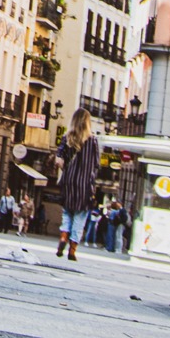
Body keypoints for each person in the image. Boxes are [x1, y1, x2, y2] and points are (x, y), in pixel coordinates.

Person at [54, 107, 102, 260]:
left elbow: (59, 160)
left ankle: (63, 237)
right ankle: (72, 249)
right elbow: (96, 164)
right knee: (80, 218)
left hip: (69, 182)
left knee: (67, 213)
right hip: (85, 185)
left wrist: (68, 166)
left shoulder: (67, 138)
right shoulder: (93, 140)